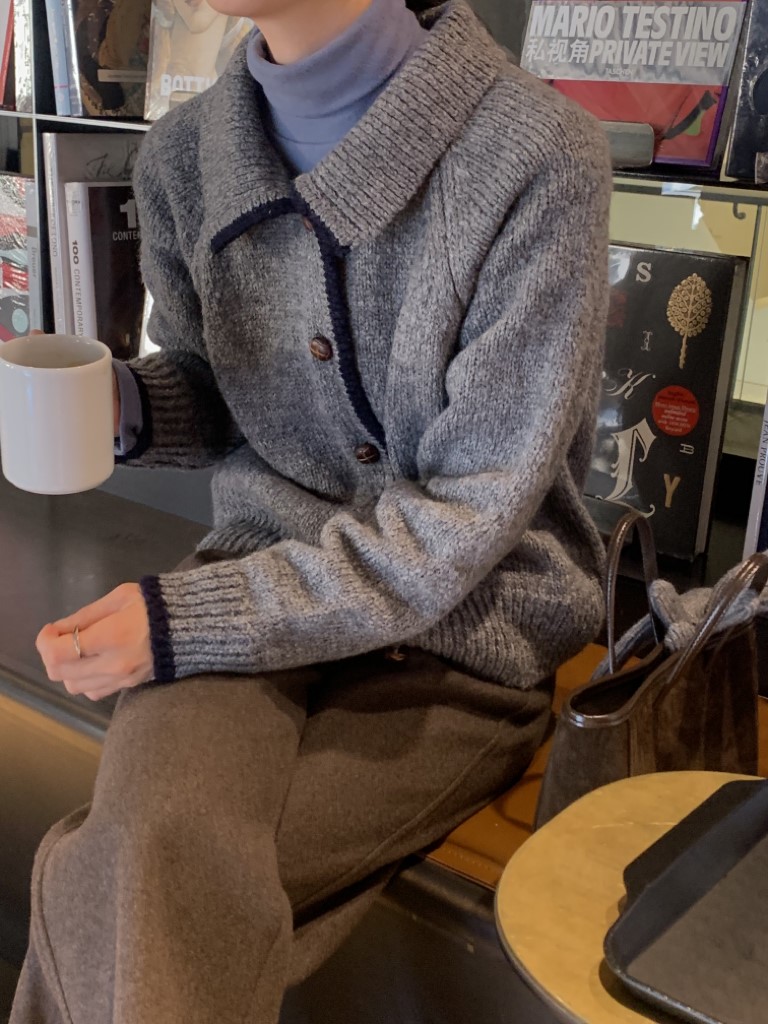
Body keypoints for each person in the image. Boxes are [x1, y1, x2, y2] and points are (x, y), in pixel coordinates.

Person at [11, 0, 612, 1021]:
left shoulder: (537, 154)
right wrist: (123, 403)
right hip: (252, 597)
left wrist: (184, 622)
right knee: (143, 876)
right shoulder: (184, 157)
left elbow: (467, 515)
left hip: (463, 636)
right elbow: (223, 391)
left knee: (127, 881)